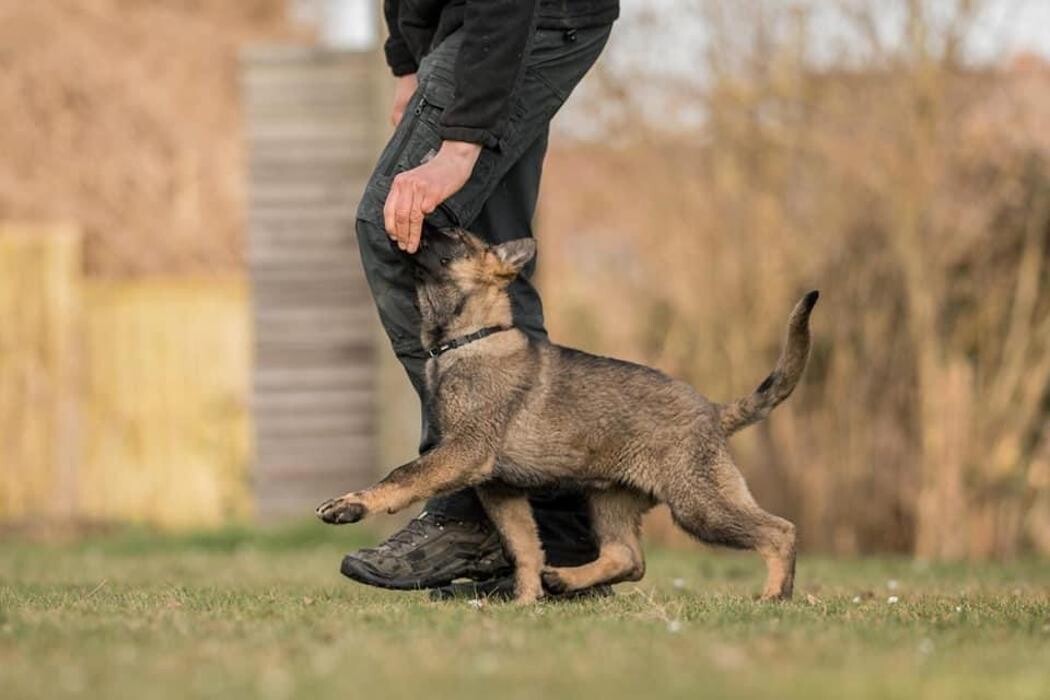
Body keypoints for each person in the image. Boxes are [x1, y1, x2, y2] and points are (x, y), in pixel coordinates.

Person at [344, 0, 619, 597]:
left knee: (405, 229)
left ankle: (471, 508)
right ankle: (558, 535)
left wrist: (460, 143)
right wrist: (409, 58)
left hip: (524, 16)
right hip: (482, 24)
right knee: (484, 259)